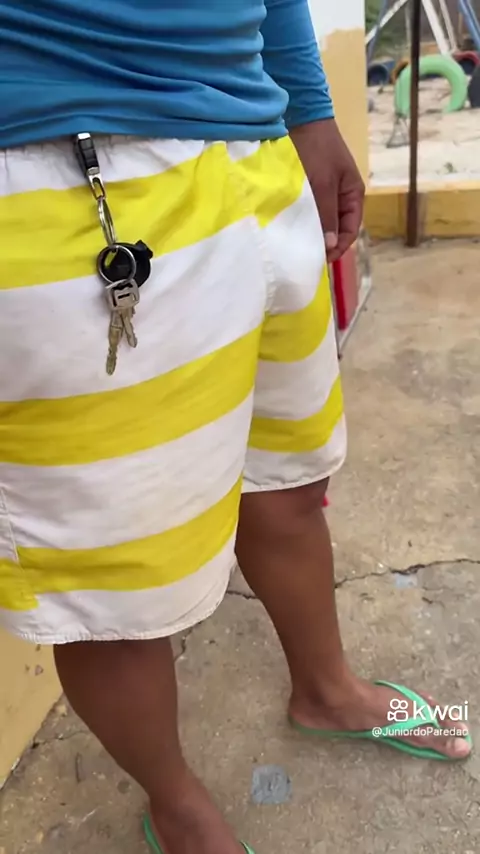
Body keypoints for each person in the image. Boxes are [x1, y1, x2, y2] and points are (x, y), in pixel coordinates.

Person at [0, 1, 471, 852]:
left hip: (256, 148)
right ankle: (177, 807)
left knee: (288, 479)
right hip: (62, 171)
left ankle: (326, 690)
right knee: (117, 586)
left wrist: (308, 109)